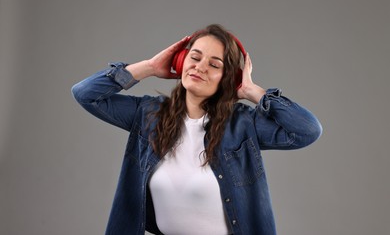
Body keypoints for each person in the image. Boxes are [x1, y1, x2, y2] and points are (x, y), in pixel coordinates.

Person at [71, 24, 322, 235]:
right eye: (195, 57)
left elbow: (307, 129)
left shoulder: (244, 125)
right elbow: (85, 94)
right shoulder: (149, 115)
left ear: (228, 78)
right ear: (181, 61)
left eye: (214, 64)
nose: (200, 67)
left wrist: (252, 91)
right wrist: (148, 67)